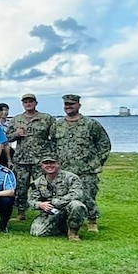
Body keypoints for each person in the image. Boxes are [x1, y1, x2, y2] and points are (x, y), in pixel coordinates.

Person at [50, 94, 111, 232]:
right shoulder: (57, 125)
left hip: (86, 168)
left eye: (71, 104)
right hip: (64, 169)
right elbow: (52, 144)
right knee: (63, 196)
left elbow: (104, 144)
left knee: (88, 195)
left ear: (79, 105)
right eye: (66, 104)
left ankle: (92, 221)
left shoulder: (91, 124)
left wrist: (97, 162)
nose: (68, 107)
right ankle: (67, 220)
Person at [9, 93, 55, 221]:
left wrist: (51, 154)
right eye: (25, 102)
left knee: (43, 187)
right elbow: (7, 137)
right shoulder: (16, 119)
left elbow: (55, 137)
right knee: (20, 187)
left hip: (40, 160)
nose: (28, 104)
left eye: (30, 101)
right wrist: (16, 134)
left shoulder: (46, 118)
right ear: (22, 104)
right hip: (21, 160)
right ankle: (21, 212)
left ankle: (47, 211)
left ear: (36, 103)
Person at [28, 156, 88, 242]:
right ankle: (62, 227)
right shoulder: (37, 183)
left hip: (68, 209)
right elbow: (31, 200)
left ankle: (73, 233)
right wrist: (40, 205)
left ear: (58, 164)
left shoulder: (71, 178)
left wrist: (56, 202)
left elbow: (77, 194)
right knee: (37, 232)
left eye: (52, 163)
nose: (49, 165)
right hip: (51, 213)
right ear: (42, 166)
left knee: (77, 205)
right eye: (46, 163)